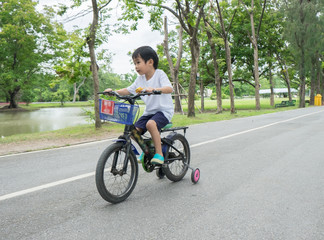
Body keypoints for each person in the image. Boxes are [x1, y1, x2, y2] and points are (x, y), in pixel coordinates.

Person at [104, 46, 174, 164]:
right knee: (133, 132)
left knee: (151, 124)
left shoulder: (159, 74)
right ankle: (146, 150)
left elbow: (169, 88)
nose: (136, 66)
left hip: (163, 111)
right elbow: (128, 90)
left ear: (150, 62)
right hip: (149, 112)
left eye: (138, 62)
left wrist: (155, 89)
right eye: (134, 63)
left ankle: (159, 154)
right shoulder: (139, 79)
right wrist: (114, 92)